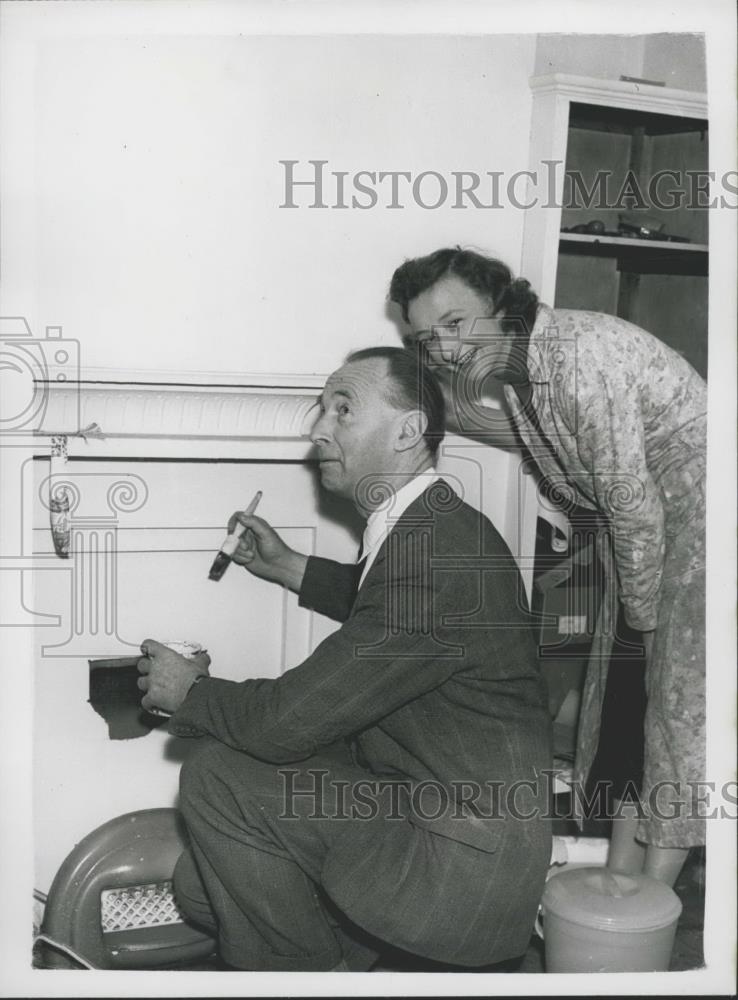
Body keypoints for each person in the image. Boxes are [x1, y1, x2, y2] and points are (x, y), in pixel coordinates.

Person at [137, 346, 552, 972]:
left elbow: (287, 721)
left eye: (344, 409)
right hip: (437, 810)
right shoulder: (434, 525)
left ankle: (306, 975)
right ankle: (346, 947)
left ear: (408, 431)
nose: (318, 428)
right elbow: (386, 609)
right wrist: (286, 566)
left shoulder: (431, 557)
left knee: (217, 777)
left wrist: (190, 691)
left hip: (462, 870)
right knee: (203, 886)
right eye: (321, 408)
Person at [389, 246, 707, 887]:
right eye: (427, 337)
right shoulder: (525, 367)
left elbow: (632, 504)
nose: (445, 349)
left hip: (706, 519)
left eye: (455, 323)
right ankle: (617, 874)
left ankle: (648, 898)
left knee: (674, 712)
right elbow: (557, 454)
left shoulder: (579, 356)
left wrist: (641, 624)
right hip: (654, 527)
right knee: (622, 705)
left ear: (501, 303)